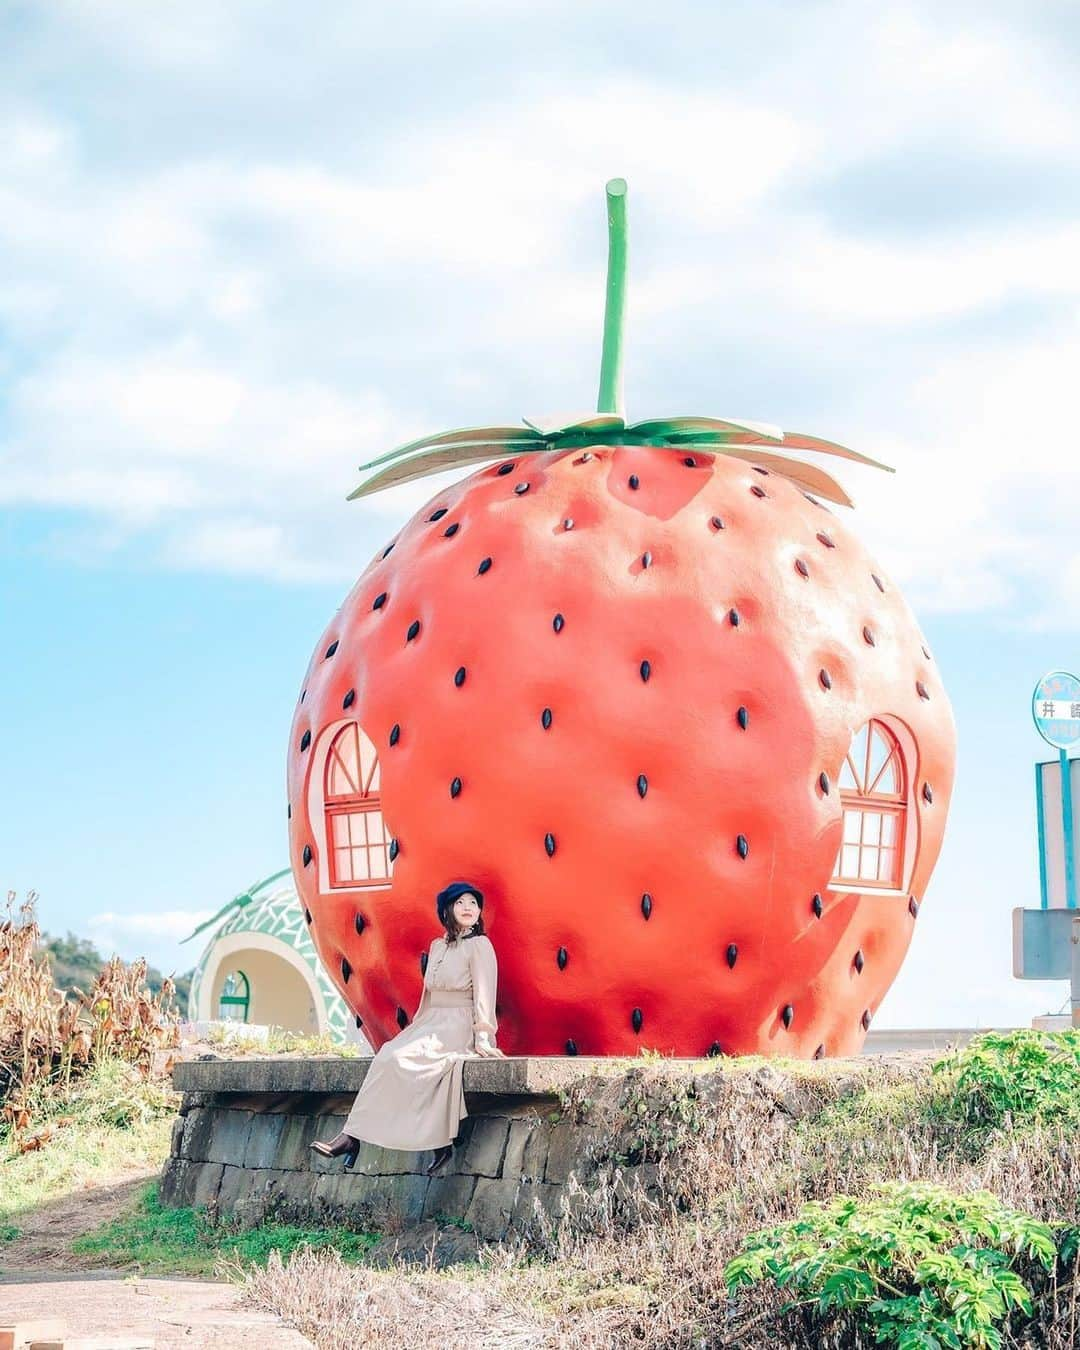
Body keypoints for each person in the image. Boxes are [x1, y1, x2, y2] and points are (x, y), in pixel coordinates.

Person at [311, 881, 506, 1177]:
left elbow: (484, 992)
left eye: (474, 904)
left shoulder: (480, 946)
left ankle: (423, 1141)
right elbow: (428, 994)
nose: (468, 908)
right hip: (431, 1021)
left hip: (457, 1023)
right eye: (461, 903)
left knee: (406, 1061)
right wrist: (418, 1028)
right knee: (388, 1055)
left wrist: (483, 1034)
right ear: (447, 910)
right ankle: (352, 1137)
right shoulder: (438, 946)